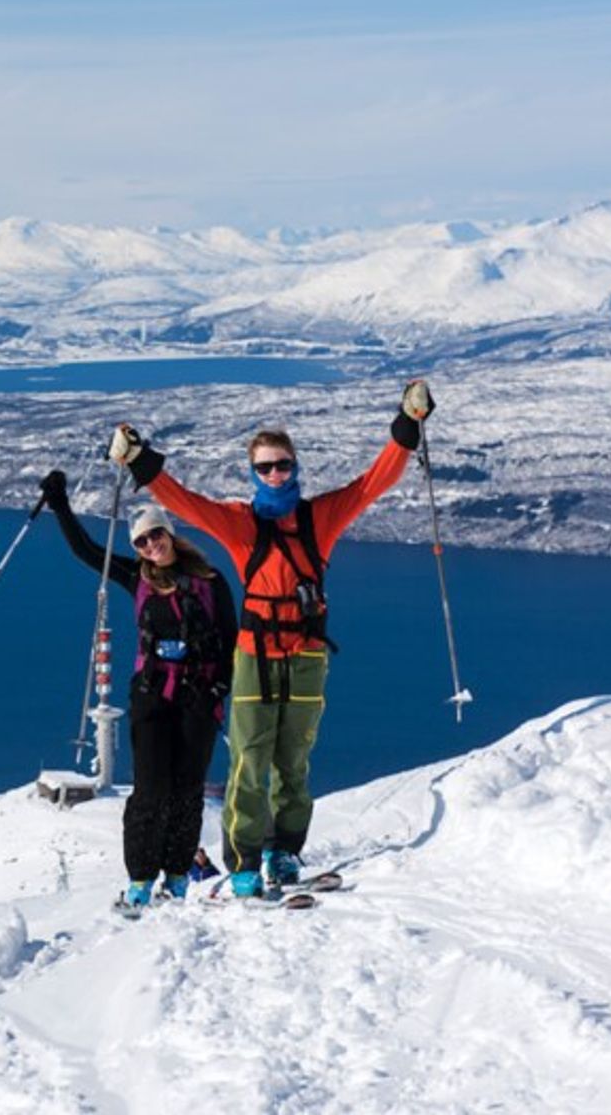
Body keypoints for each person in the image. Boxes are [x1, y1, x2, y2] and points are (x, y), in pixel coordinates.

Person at [107, 380, 435, 897]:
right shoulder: (240, 524)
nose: (275, 474)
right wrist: (140, 460)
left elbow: (373, 484)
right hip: (255, 656)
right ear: (253, 471)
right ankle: (242, 862)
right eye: (265, 467)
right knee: (249, 758)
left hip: (305, 654)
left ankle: (284, 853)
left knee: (293, 759)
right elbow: (185, 504)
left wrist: (407, 425)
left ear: (295, 465)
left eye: (282, 464)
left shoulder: (318, 519)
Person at [39, 470, 238, 912]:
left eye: (155, 536)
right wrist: (59, 504)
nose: (151, 546)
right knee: (150, 789)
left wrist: (218, 689)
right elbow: (86, 551)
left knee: (187, 789)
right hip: (152, 696)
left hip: (198, 697)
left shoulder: (209, 580)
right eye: (142, 542)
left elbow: (230, 638)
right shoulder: (137, 577)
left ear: (169, 533)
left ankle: (179, 875)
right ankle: (141, 880)